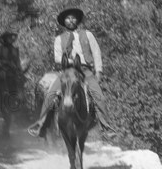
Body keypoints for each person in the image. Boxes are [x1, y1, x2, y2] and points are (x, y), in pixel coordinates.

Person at [28, 8, 116, 139]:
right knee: (51, 94)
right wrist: (71, 61)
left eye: (73, 18)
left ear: (77, 20)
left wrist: (98, 71)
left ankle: (106, 128)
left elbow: (96, 53)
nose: (70, 20)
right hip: (67, 71)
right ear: (64, 21)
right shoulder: (59, 39)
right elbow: (57, 58)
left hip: (85, 71)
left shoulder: (88, 35)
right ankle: (41, 125)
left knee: (99, 97)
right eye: (68, 18)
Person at [0, 31, 22, 95]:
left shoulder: (15, 49)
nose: (10, 39)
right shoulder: (0, 48)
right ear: (5, 39)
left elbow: (17, 60)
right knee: (2, 76)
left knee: (20, 78)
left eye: (11, 37)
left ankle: (19, 95)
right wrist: (4, 63)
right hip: (3, 67)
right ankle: (3, 92)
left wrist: (19, 68)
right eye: (8, 37)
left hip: (13, 68)